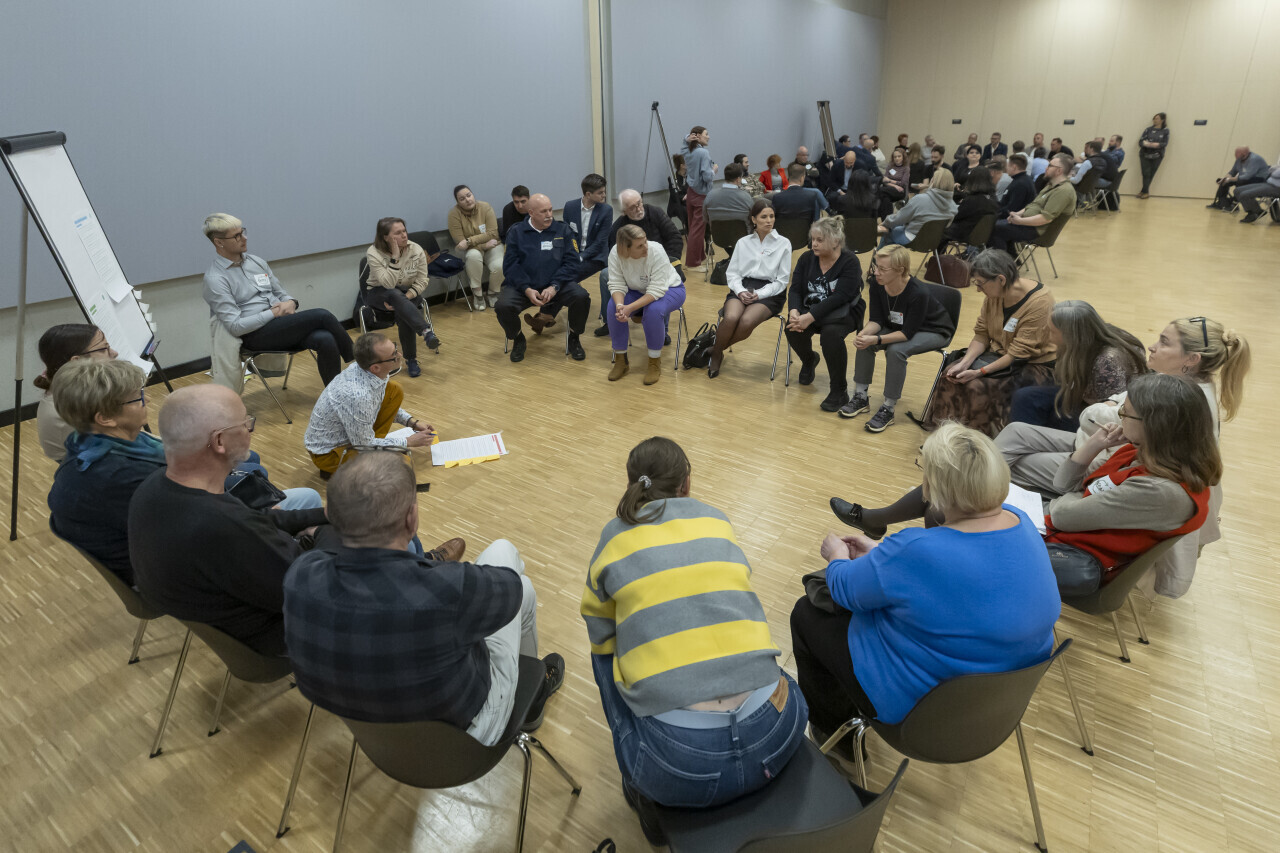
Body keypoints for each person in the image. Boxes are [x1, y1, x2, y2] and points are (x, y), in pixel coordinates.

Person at [583, 437, 807, 842]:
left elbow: (600, 633)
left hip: (678, 769)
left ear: (633, 485)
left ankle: (643, 796)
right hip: (778, 734)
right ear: (686, 483)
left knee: (604, 655)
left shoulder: (613, 537)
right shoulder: (717, 519)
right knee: (766, 657)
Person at [796, 423, 1060, 758]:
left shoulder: (917, 550)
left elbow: (845, 589)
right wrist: (884, 558)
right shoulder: (1021, 522)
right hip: (1001, 704)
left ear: (933, 487)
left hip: (922, 718)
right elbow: (956, 580)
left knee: (806, 613)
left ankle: (833, 736)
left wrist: (836, 556)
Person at [283, 452, 564, 746]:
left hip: (365, 730)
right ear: (412, 518)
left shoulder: (300, 575)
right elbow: (511, 591)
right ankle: (534, 695)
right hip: (461, 738)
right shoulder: (445, 590)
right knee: (517, 574)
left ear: (330, 515)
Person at [47, 360, 320, 587]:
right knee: (307, 497)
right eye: (137, 397)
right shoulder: (126, 478)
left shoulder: (83, 447)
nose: (147, 399)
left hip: (167, 543)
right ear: (105, 418)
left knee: (254, 470)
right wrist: (269, 520)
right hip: (168, 569)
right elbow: (214, 525)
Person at [127, 386, 332, 654]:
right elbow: (318, 592)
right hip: (279, 634)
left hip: (229, 612)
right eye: (245, 424)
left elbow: (256, 520)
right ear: (220, 441)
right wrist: (323, 534)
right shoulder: (224, 526)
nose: (250, 431)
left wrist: (325, 515)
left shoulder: (154, 486)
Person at [997, 316, 1250, 497]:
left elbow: (1091, 417)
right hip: (1102, 444)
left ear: (1192, 359)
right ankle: (979, 488)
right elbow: (1117, 404)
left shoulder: (1178, 398)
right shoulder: (1177, 379)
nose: (1152, 346)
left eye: (1164, 342)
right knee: (1016, 431)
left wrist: (1111, 405)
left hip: (1113, 461)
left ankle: (985, 499)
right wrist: (1114, 404)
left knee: (1016, 462)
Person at [1043, 374, 1221, 595]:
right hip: (1068, 531)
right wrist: (1094, 445)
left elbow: (1063, 516)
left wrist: (1073, 498)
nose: (1120, 418)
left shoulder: (1161, 491)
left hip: (1075, 550)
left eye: (1125, 413)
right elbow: (1063, 484)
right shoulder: (1141, 452)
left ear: (1154, 425)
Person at [201, 213, 353, 386]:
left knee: (325, 338)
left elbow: (281, 293)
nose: (244, 238)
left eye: (243, 232)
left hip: (281, 326)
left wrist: (291, 302)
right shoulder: (216, 279)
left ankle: (334, 394)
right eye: (236, 236)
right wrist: (273, 313)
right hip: (253, 335)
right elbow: (235, 326)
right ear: (219, 242)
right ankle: (362, 363)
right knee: (322, 315)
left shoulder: (256, 262)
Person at [923, 249, 1056, 436]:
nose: (978, 289)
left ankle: (973, 443)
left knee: (976, 387)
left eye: (980, 283)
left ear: (1001, 279)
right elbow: (981, 335)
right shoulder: (994, 295)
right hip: (1000, 355)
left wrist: (979, 372)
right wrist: (965, 363)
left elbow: (1017, 354)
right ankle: (943, 437)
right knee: (950, 375)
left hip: (1033, 364)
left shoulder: (1040, 302)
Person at [845, 245, 956, 431]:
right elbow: (877, 320)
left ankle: (888, 408)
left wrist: (877, 340)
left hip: (933, 330)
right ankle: (860, 397)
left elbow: (907, 334)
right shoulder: (877, 284)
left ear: (900, 270)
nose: (876, 272)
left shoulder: (918, 292)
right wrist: (864, 333)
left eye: (882, 269)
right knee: (865, 341)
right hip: (897, 325)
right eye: (876, 266)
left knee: (896, 350)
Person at [303, 332, 436, 475]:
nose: (400, 355)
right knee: (400, 464)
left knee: (394, 390)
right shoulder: (358, 396)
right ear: (376, 367)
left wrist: (412, 423)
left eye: (395, 349)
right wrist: (408, 441)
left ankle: (372, 454)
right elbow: (364, 445)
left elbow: (380, 401)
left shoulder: (369, 370)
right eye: (393, 355)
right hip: (330, 455)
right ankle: (343, 470)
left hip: (355, 438)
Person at [1007, 301, 1146, 432]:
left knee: (1054, 417)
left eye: (1051, 331)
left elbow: (1110, 414)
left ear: (1069, 336)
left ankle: (1033, 444)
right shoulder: (1092, 336)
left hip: (1103, 417)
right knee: (1024, 397)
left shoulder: (1107, 363)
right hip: (1082, 393)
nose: (1045, 333)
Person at [785, 217, 865, 412]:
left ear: (836, 241)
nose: (814, 244)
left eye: (820, 240)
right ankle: (809, 360)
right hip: (811, 309)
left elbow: (841, 297)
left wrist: (808, 317)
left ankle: (839, 390)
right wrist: (794, 311)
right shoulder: (806, 259)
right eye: (813, 239)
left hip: (843, 312)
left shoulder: (850, 261)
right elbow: (795, 289)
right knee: (792, 328)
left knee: (831, 336)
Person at [498, 194, 587, 362]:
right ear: (531, 213)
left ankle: (574, 337)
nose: (549, 215)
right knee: (502, 306)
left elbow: (572, 263)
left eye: (550, 210)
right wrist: (526, 288)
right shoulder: (516, 232)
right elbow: (510, 266)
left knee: (581, 297)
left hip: (556, 285)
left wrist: (555, 286)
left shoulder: (563, 230)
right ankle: (518, 338)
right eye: (543, 211)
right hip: (525, 287)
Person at [708, 199, 791, 378]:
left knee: (746, 321)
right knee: (731, 317)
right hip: (743, 286)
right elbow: (733, 273)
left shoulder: (784, 243)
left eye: (772, 216)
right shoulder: (743, 242)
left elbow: (782, 281)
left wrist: (759, 294)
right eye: (764, 217)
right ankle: (717, 353)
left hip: (770, 291)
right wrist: (740, 291)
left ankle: (715, 350)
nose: (769, 221)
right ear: (754, 219)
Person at [594, 189, 685, 337]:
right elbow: (615, 255)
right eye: (633, 207)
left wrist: (670, 261)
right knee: (605, 275)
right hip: (633, 269)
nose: (639, 208)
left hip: (660, 263)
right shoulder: (618, 228)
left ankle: (662, 329)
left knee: (660, 282)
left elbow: (674, 237)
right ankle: (611, 319)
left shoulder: (655, 213)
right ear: (624, 212)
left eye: (639, 203)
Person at [604, 225, 686, 386]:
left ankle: (654, 362)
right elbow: (616, 283)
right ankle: (621, 360)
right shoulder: (615, 253)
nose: (646, 247)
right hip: (637, 290)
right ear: (626, 249)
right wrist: (621, 305)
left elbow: (657, 290)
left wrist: (630, 308)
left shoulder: (657, 251)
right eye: (639, 246)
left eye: (645, 241)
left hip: (671, 289)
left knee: (653, 311)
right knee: (613, 307)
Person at [363, 217, 439, 378]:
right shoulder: (373, 252)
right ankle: (425, 332)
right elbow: (388, 284)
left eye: (404, 230)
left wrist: (406, 296)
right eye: (398, 233)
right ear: (385, 237)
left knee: (402, 307)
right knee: (394, 295)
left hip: (408, 292)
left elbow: (422, 280)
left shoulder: (416, 249)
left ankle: (411, 359)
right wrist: (395, 256)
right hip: (379, 292)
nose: (404, 235)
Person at [35, 324, 117, 461]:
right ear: (76, 361)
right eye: (104, 349)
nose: (114, 353)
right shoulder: (70, 410)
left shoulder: (79, 390)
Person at [988, 154, 1076, 255]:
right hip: (1028, 225)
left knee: (995, 228)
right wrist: (1017, 214)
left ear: (1059, 171)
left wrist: (1020, 221)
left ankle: (1002, 262)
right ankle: (1011, 260)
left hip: (1037, 231)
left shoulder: (1063, 191)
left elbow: (1046, 218)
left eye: (1050, 165)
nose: (1046, 168)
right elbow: (1033, 205)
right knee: (995, 226)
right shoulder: (1051, 185)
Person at [447, 185, 505, 310]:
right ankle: (478, 294)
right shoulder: (453, 214)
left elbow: (492, 234)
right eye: (462, 199)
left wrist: (470, 240)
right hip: (471, 250)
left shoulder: (486, 207)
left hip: (492, 245)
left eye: (469, 195)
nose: (467, 200)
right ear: (458, 202)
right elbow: (461, 243)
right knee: (473, 256)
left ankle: (493, 292)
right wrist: (483, 245)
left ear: (473, 195)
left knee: (499, 265)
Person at [878, 168, 957, 247]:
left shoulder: (920, 199)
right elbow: (946, 226)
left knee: (888, 231)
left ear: (933, 181)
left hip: (912, 240)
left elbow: (899, 218)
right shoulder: (953, 206)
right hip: (934, 242)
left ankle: (878, 255)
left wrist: (885, 223)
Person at [562, 173, 614, 290]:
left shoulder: (606, 210)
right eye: (600, 193)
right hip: (575, 253)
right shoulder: (570, 206)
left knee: (568, 275)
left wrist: (581, 257)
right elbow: (567, 235)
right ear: (588, 194)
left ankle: (571, 296)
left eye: (604, 192)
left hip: (596, 257)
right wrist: (571, 255)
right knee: (555, 270)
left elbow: (600, 242)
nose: (604, 195)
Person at [682, 126, 717, 267]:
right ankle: (693, 263)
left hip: (691, 193)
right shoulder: (703, 153)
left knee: (694, 229)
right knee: (697, 232)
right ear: (698, 136)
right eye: (706, 134)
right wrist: (714, 170)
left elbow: (684, 144)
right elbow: (707, 177)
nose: (708, 137)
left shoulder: (687, 151)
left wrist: (687, 138)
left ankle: (700, 258)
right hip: (701, 195)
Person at [940, 166, 998, 248]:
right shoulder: (993, 199)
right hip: (981, 235)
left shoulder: (972, 200)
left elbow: (956, 216)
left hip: (964, 233)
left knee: (940, 230)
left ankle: (938, 255)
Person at [1137, 112, 1170, 198]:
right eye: (1154, 118)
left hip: (1157, 155)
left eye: (1157, 118)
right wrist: (1147, 144)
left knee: (1151, 174)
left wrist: (1156, 144)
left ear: (1162, 120)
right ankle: (1145, 191)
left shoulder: (1165, 131)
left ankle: (1144, 191)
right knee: (1145, 173)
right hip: (1145, 154)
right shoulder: (1148, 129)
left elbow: (1164, 143)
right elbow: (1141, 141)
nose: (1155, 120)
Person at [667, 154, 688, 229]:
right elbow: (674, 195)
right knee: (687, 212)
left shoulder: (689, 175)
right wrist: (684, 197)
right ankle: (689, 231)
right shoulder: (673, 178)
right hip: (677, 203)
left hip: (688, 201)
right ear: (682, 166)